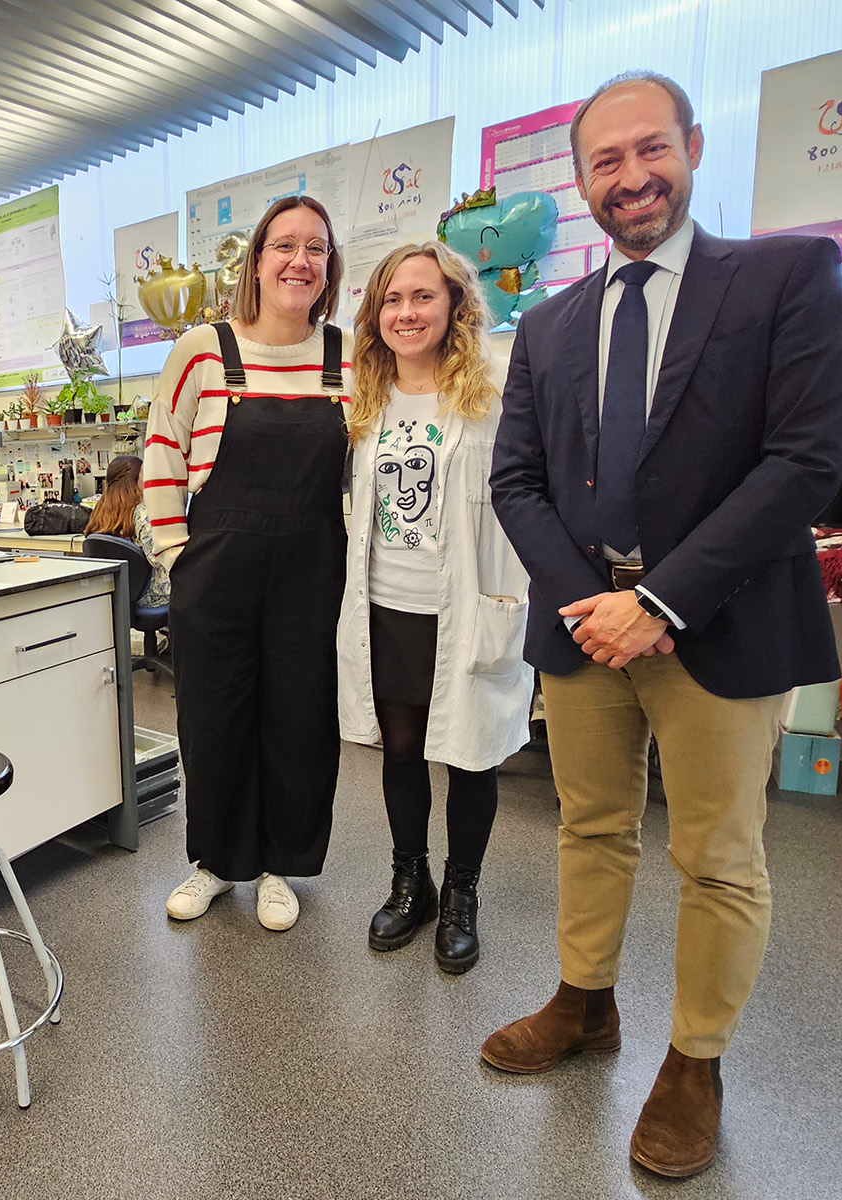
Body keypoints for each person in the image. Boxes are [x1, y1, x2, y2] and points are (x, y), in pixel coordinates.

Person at [484, 71, 842, 1178]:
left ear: (692, 147)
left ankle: (694, 1060)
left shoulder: (785, 276)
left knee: (717, 859)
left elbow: (804, 462)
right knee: (589, 825)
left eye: (651, 150)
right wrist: (594, 607)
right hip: (584, 629)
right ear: (581, 180)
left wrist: (659, 601)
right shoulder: (549, 326)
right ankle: (584, 1002)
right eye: (606, 160)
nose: (632, 177)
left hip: (720, 623)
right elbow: (515, 481)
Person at [143, 195, 354, 932]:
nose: (300, 261)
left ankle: (276, 867)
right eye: (285, 246)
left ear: (330, 266)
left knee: (297, 716)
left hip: (312, 570)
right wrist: (177, 557)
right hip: (217, 566)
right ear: (258, 261)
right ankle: (214, 862)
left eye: (316, 249)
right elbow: (162, 452)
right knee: (214, 714)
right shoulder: (204, 348)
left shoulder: (347, 355)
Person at [335, 242, 532, 974]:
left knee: (471, 755)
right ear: (375, 313)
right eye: (392, 299)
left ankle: (462, 894)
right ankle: (409, 879)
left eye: (422, 296)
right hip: (387, 607)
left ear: (454, 304)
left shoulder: (498, 386)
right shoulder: (365, 398)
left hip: (467, 606)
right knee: (401, 749)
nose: (406, 312)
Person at [83, 455, 169, 610]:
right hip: (150, 596)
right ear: (133, 479)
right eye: (144, 473)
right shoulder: (141, 512)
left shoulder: (100, 510)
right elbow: (157, 559)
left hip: (115, 595)